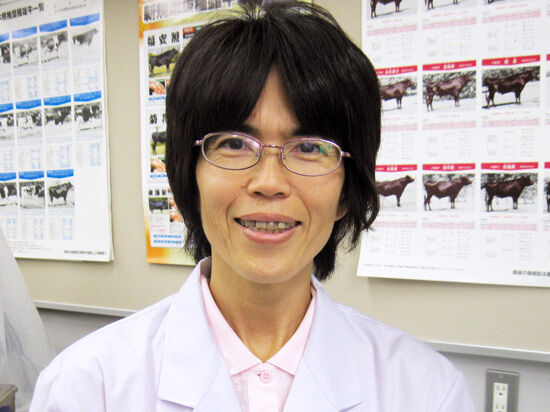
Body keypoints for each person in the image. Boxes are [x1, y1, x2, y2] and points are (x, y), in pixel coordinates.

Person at [30, 2, 474, 411]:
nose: (269, 183)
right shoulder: (87, 387)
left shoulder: (426, 392)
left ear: (345, 191)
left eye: (310, 147)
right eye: (235, 144)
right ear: (189, 176)